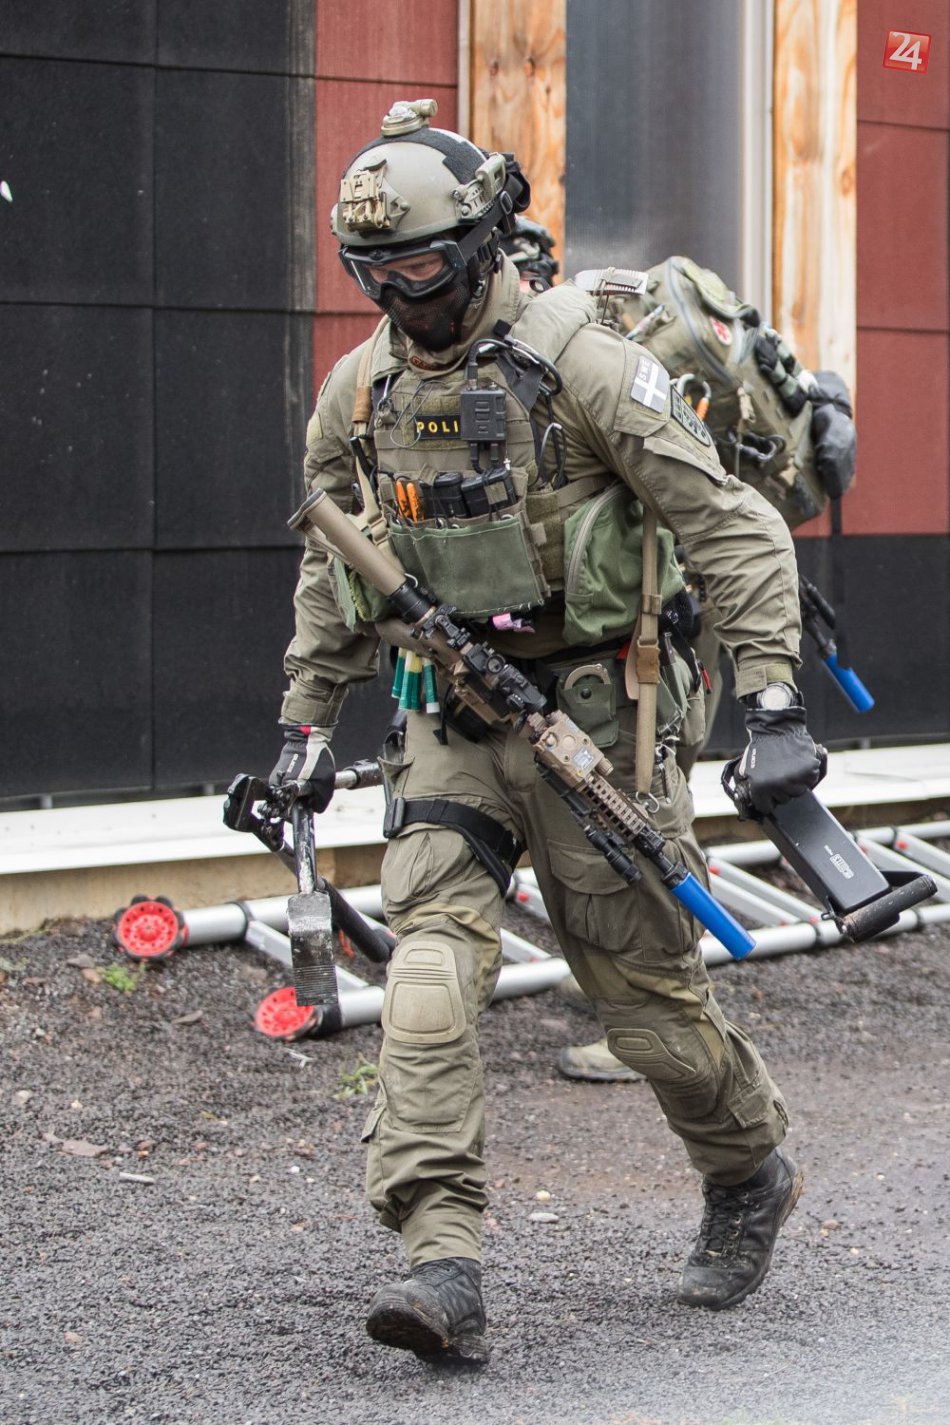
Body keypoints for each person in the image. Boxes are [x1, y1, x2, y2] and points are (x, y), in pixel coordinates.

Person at [272, 98, 823, 1364]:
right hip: (448, 717)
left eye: (419, 268)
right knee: (423, 982)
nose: (396, 297)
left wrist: (771, 703)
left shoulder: (587, 365)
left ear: (478, 246)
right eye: (370, 273)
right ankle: (442, 1266)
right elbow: (331, 564)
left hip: (599, 717)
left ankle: (745, 1168)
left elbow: (733, 526)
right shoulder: (358, 394)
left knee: (644, 1007)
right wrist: (303, 724)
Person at [501, 223, 857, 1085]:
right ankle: (629, 991)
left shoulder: (586, 348)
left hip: (666, 619)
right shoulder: (607, 326)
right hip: (663, 610)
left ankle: (662, 1016)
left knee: (649, 810)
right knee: (633, 804)